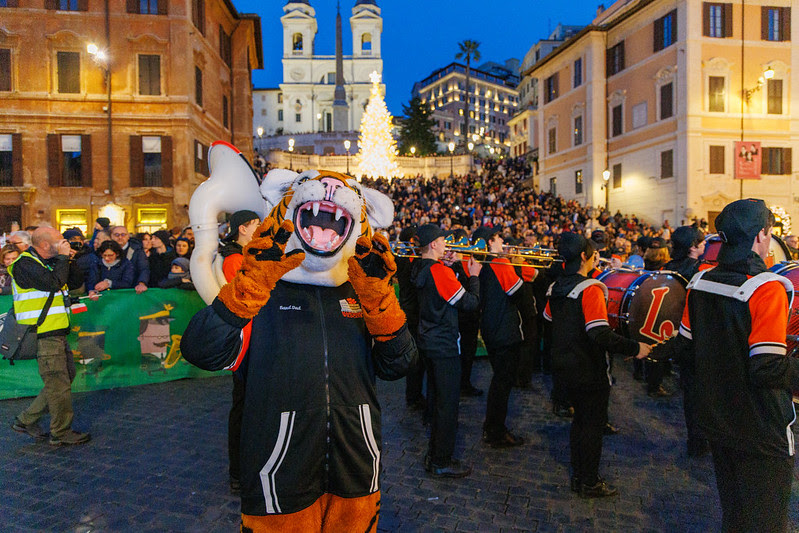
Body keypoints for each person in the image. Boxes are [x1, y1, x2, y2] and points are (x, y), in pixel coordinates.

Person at [648, 199, 799, 530]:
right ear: (762, 235)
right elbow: (767, 369)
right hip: (761, 428)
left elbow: (685, 348)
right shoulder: (767, 289)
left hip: (719, 420)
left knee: (734, 515)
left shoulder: (700, 283)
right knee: (765, 523)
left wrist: (651, 350)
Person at [544, 232, 650, 498]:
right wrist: (635, 347)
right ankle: (588, 480)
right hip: (588, 367)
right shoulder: (589, 288)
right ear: (583, 257)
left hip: (564, 364)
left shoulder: (556, 285)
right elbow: (598, 333)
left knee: (579, 422)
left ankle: (579, 474)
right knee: (591, 425)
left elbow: (549, 317)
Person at [411, 223, 481, 477]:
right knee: (447, 403)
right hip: (443, 344)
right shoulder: (438, 272)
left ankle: (436, 452)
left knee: (437, 397)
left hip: (428, 340)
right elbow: (469, 303)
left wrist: (449, 269)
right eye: (443, 240)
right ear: (433, 245)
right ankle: (441, 459)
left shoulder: (420, 266)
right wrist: (473, 276)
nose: (447, 244)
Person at [9, 227, 89, 446]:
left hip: (56, 331)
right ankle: (60, 432)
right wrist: (63, 257)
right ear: (45, 245)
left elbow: (72, 283)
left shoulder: (48, 262)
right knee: (58, 383)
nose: (64, 243)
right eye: (59, 241)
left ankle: (26, 420)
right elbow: (53, 283)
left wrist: (69, 260)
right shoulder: (24, 265)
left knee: (64, 378)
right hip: (42, 333)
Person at [217, 209, 261, 495]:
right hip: (247, 343)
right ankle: (239, 471)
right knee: (244, 409)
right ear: (243, 229)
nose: (259, 229)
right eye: (256, 225)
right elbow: (249, 296)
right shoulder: (234, 259)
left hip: (254, 340)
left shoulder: (242, 255)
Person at [473, 225, 525, 448]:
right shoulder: (499, 263)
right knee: (502, 382)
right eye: (496, 238)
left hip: (492, 328)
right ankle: (496, 430)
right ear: (488, 243)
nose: (501, 240)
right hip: (504, 330)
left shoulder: (484, 265)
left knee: (499, 380)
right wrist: (518, 265)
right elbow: (518, 292)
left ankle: (493, 426)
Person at [109, 226, 149, 294]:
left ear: (128, 236)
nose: (120, 237)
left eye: (123, 235)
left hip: (132, 289)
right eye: (116, 235)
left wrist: (142, 283)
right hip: (111, 290)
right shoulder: (106, 249)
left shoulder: (137, 250)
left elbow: (144, 268)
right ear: (111, 236)